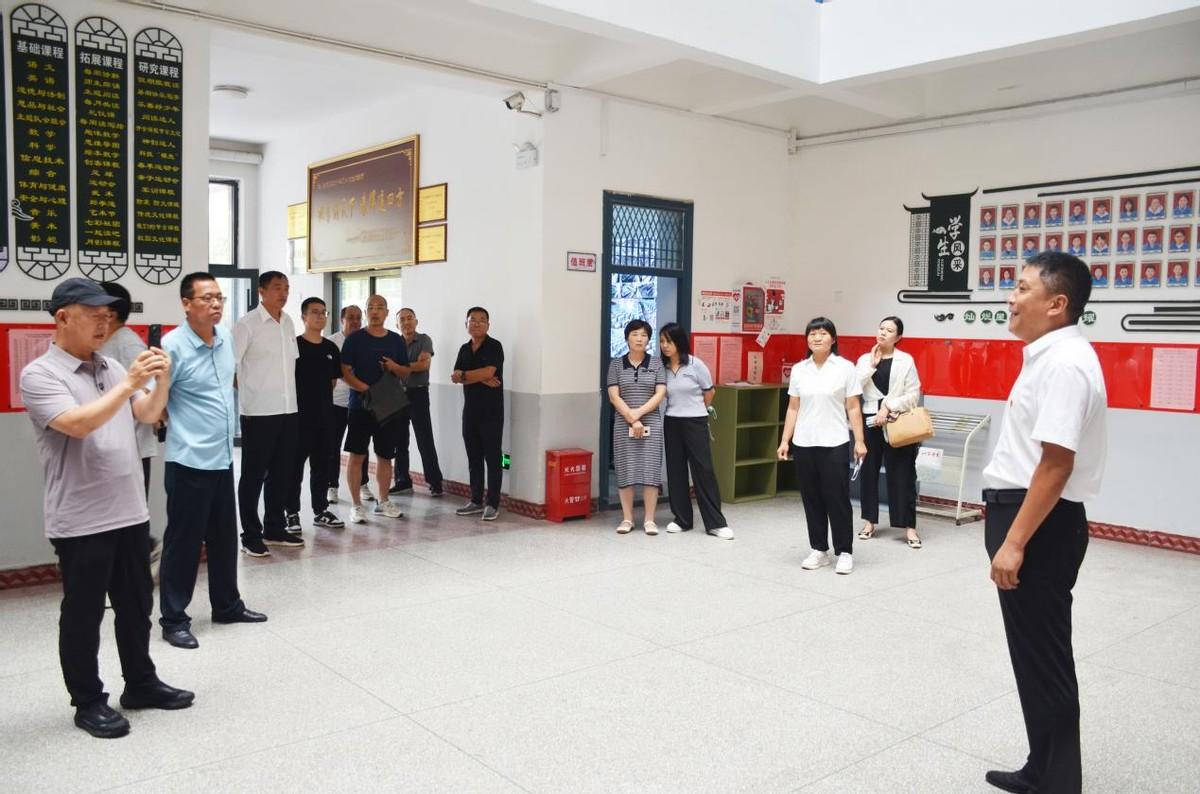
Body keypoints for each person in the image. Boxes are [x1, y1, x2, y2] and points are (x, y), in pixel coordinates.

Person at [20, 278, 191, 739]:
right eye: (93, 315)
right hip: (81, 519)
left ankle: (141, 683)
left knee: (136, 606)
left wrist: (162, 381)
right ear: (62, 317)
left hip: (129, 511)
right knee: (84, 613)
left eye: (107, 316)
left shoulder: (111, 368)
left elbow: (146, 414)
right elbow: (79, 424)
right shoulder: (40, 374)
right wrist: (130, 382)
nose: (104, 323)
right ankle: (88, 700)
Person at [981, 251, 1106, 794]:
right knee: (1033, 657)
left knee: (1045, 658)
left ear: (1057, 304)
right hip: (1030, 518)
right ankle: (1043, 769)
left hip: (1039, 526)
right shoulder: (1047, 356)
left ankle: (1058, 783)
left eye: (1021, 288)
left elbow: (1056, 464)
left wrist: (1013, 543)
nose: (1011, 298)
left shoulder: (1065, 364)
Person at [159, 273, 267, 650]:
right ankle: (174, 619)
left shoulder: (224, 340)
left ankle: (227, 605)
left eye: (219, 297)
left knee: (223, 539)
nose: (216, 304)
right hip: (189, 461)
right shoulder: (171, 346)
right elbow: (156, 402)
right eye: (207, 298)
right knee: (184, 544)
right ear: (186, 304)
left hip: (221, 458)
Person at [777, 317, 867, 575]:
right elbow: (793, 408)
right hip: (804, 442)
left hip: (834, 441)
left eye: (823, 333)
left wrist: (859, 440)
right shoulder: (799, 369)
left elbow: (853, 407)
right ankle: (819, 549)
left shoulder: (845, 368)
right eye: (812, 333)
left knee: (837, 498)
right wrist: (785, 440)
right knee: (811, 498)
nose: (817, 338)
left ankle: (845, 551)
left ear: (833, 339)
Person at [233, 271, 302, 554]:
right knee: (253, 475)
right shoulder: (246, 324)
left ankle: (275, 528)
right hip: (258, 413)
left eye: (286, 288)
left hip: (288, 410)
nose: (283, 293)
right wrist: (250, 395)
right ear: (262, 291)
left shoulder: (288, 322)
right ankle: (250, 534)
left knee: (282, 473)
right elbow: (230, 367)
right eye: (276, 288)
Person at [99, 282, 162, 575]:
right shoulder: (104, 342)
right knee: (114, 514)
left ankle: (142, 557)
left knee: (128, 514)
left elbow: (149, 394)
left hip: (132, 446)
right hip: (109, 446)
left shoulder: (127, 344)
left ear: (110, 313)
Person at [340, 294, 410, 524]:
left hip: (387, 405)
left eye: (380, 307)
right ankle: (356, 506)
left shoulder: (396, 340)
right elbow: (344, 371)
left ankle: (383, 501)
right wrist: (365, 389)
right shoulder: (355, 339)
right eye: (371, 307)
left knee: (385, 455)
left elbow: (405, 372)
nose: (375, 311)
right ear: (366, 312)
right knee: (357, 455)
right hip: (360, 405)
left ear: (387, 313)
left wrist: (394, 366)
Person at [658, 323, 732, 540]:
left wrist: (698, 411)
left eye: (669, 341)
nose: (665, 345)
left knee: (703, 470)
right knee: (676, 470)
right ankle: (682, 519)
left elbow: (710, 392)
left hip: (695, 421)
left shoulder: (695, 364)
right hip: (672, 421)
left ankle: (716, 523)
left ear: (679, 342)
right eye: (662, 341)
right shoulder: (662, 368)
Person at [854, 317, 922, 549]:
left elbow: (914, 394)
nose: (883, 332)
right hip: (870, 421)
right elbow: (854, 387)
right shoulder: (864, 359)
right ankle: (869, 522)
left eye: (889, 330)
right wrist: (871, 366)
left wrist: (889, 406)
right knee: (868, 472)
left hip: (897, 420)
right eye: (881, 328)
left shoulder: (906, 360)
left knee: (903, 473)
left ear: (898, 337)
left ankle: (909, 527)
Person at [286, 297, 344, 531]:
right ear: (304, 317)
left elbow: (332, 382)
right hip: (298, 419)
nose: (320, 316)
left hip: (325, 417)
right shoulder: (294, 346)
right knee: (294, 468)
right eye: (315, 312)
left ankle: (320, 511)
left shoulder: (331, 348)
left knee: (322, 466)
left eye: (323, 312)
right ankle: (291, 513)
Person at [606, 319, 666, 534]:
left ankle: (650, 520)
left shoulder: (657, 364)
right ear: (626, 338)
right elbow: (614, 396)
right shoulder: (615, 365)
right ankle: (627, 519)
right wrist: (631, 418)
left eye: (643, 335)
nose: (639, 339)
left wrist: (638, 414)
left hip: (651, 424)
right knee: (625, 470)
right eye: (635, 334)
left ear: (648, 339)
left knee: (651, 471)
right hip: (624, 425)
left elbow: (660, 394)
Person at [452, 307, 506, 520]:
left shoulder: (495, 346)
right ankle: (475, 500)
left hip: (492, 412)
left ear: (488, 325)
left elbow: (489, 372)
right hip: (470, 412)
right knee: (473, 457)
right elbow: (455, 376)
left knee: (493, 459)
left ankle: (492, 504)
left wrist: (468, 375)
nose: (476, 323)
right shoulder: (464, 349)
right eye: (472, 320)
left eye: (482, 320)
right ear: (466, 324)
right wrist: (480, 377)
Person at [390, 308, 445, 497]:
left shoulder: (424, 340)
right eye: (402, 320)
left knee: (424, 438)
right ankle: (402, 481)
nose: (406, 322)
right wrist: (409, 366)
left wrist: (398, 366)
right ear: (397, 324)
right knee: (400, 440)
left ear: (416, 321)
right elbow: (389, 368)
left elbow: (424, 365)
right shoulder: (393, 343)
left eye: (409, 318)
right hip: (397, 394)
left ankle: (435, 482)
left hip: (418, 393)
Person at [327, 304, 373, 505]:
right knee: (332, 446)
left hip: (360, 403)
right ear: (341, 320)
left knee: (361, 448)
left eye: (358, 317)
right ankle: (332, 486)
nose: (355, 321)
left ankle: (363, 484)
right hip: (336, 403)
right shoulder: (332, 343)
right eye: (351, 317)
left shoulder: (367, 340)